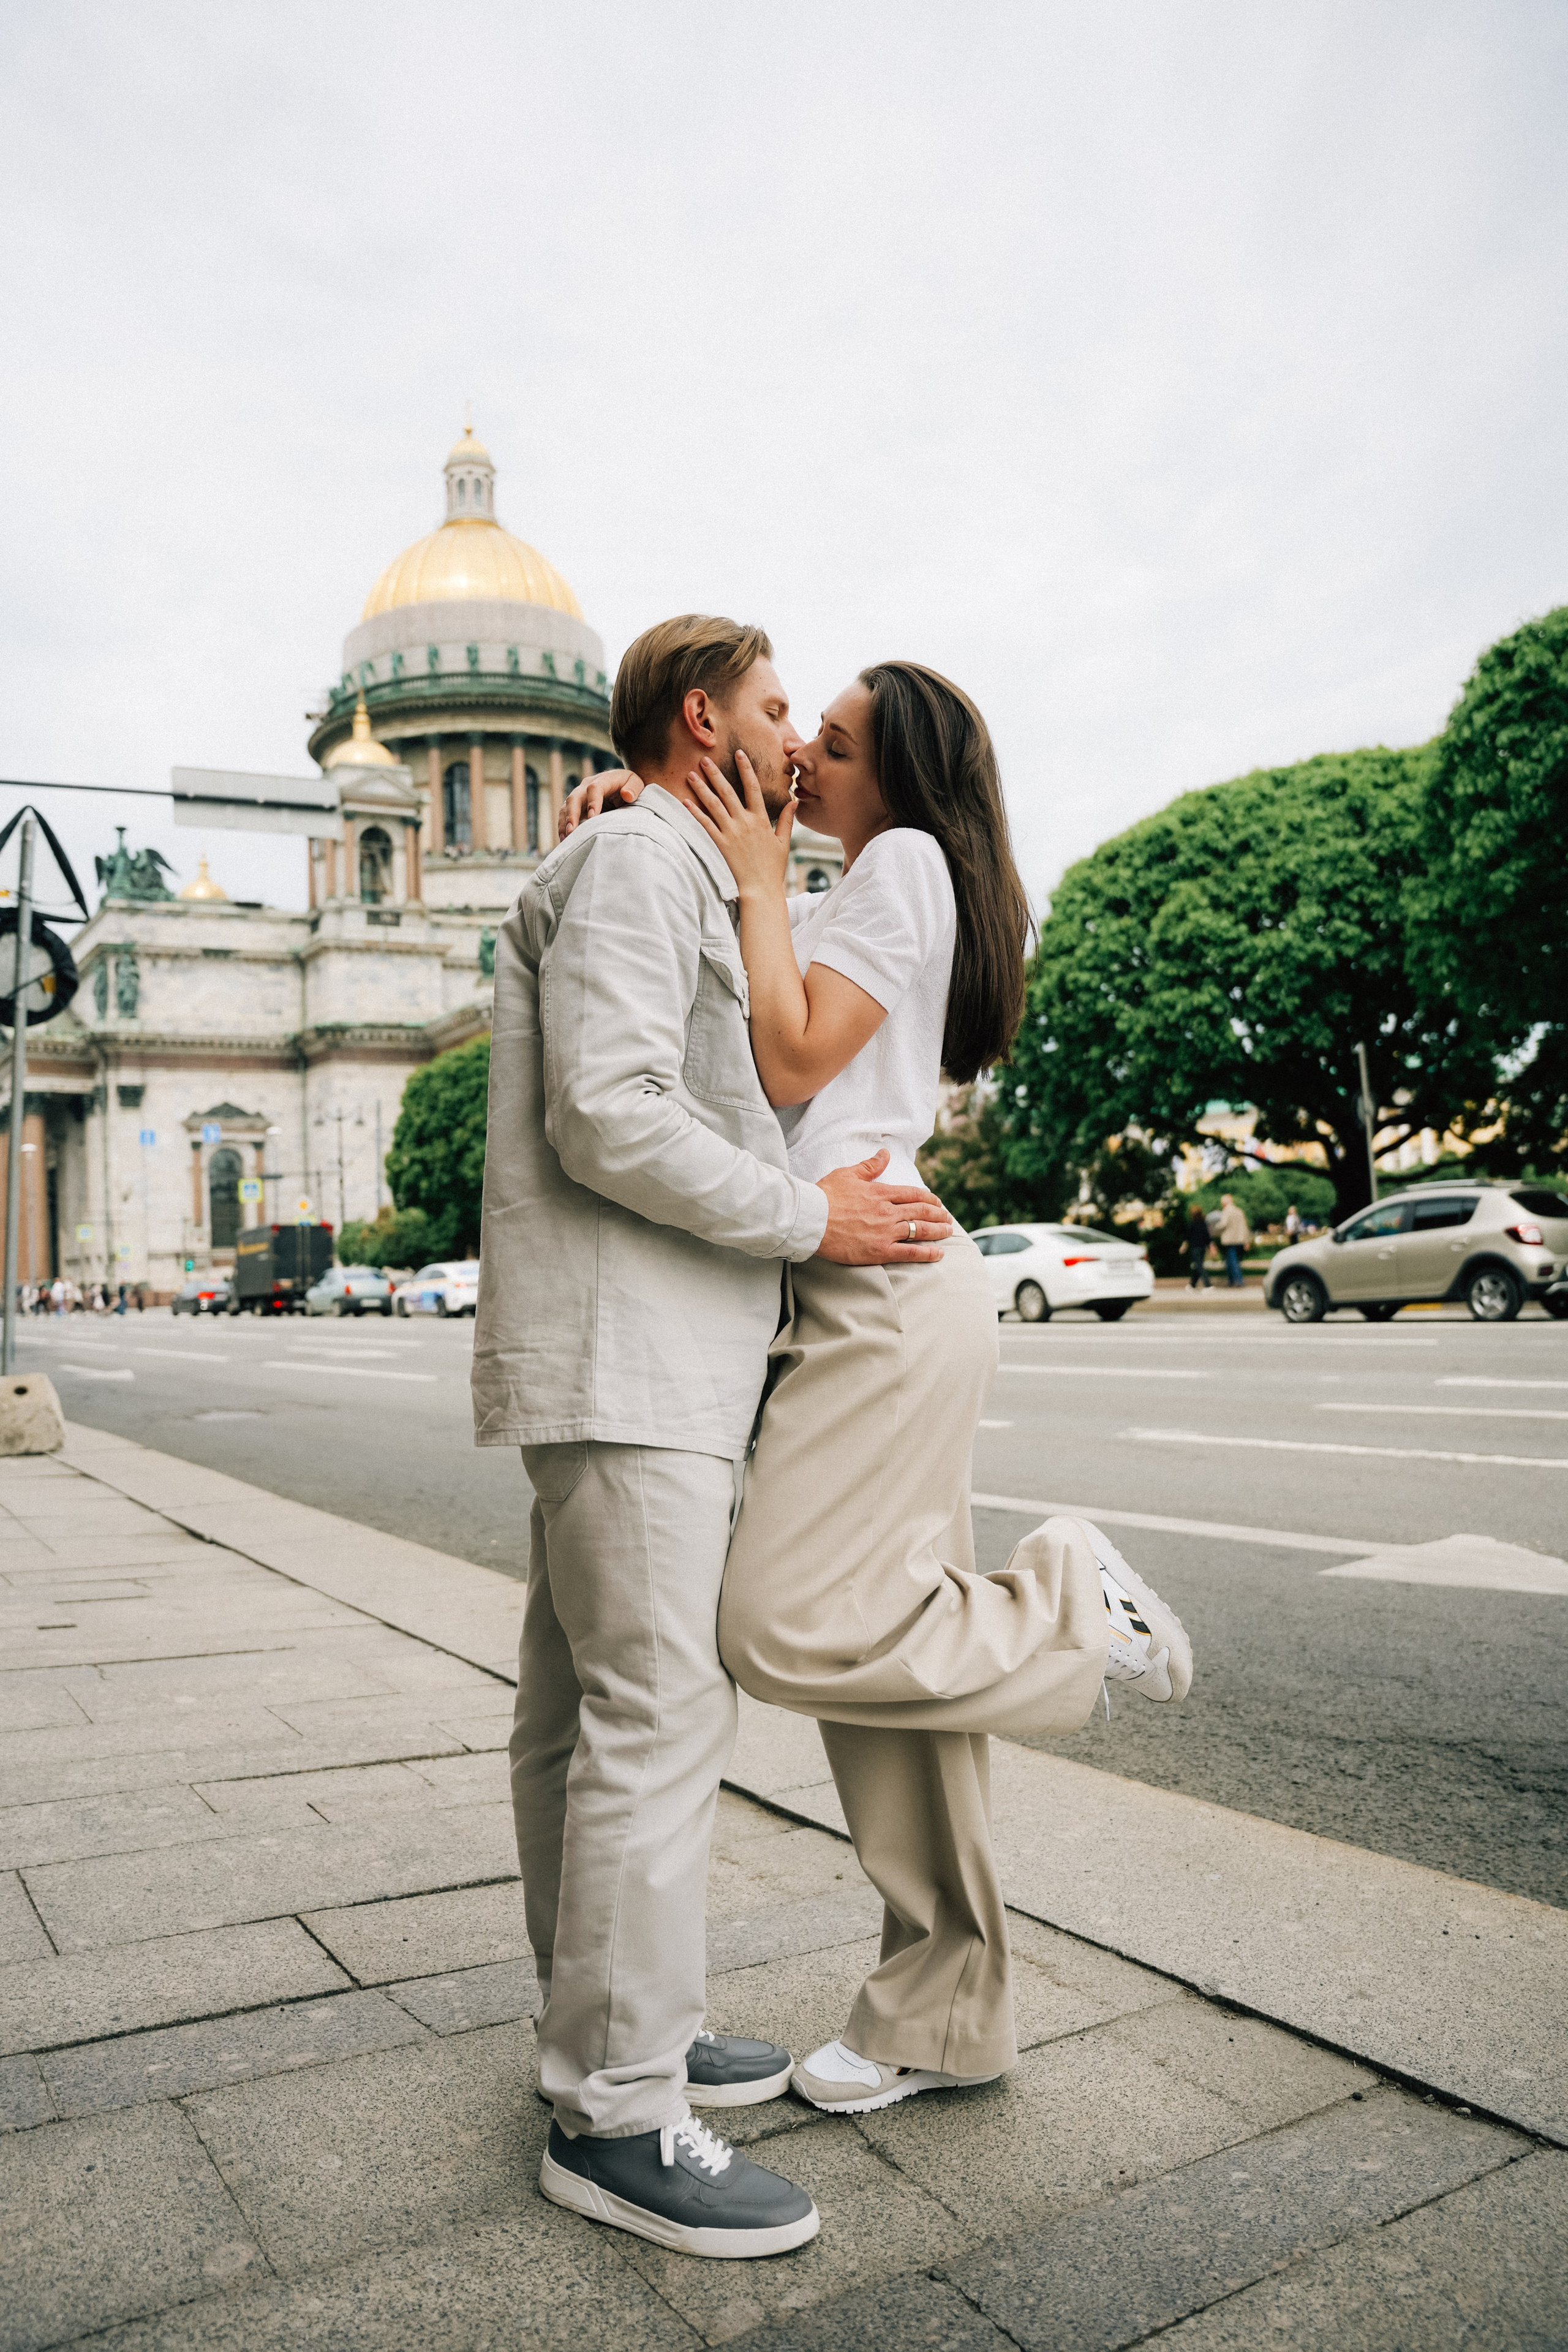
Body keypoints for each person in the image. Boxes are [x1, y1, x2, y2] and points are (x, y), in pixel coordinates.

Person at [567, 661, 1193, 2121]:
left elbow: (789, 1056)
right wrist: (649, 804)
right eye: (800, 734)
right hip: (839, 1284)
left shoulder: (901, 861)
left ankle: (1067, 1599)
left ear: (897, 777)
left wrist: (753, 873)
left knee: (783, 1624)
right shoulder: (841, 885)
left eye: (832, 745)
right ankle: (940, 2013)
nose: (799, 758)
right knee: (895, 1676)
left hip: (885, 1290)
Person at [472, 615, 956, 2263]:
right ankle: (617, 2110)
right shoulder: (636, 861)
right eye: (773, 707)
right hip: (638, 1351)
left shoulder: (657, 854)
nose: (794, 739)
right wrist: (809, 1219)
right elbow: (608, 1109)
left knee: (578, 1717)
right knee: (660, 1715)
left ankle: (614, 2031)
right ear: (703, 721)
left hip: (636, 1348)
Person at [1216, 1192, 1251, 1287]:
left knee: (1231, 1261)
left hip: (1229, 1240)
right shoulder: (1239, 1211)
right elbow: (1245, 1227)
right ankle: (1231, 1281)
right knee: (1234, 1261)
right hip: (1239, 1240)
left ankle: (1238, 1281)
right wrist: (1247, 1240)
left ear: (1224, 1203)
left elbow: (1223, 1224)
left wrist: (1215, 1227)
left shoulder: (1226, 1211)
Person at [1185, 1202, 1212, 1289]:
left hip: (1195, 1247)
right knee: (1198, 1265)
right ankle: (1192, 1284)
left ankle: (1208, 1285)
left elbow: (1188, 1237)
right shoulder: (1203, 1223)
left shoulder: (1192, 1224)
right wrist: (1210, 1246)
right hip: (1202, 1247)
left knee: (1199, 1266)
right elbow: (1207, 1236)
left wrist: (1184, 1246)